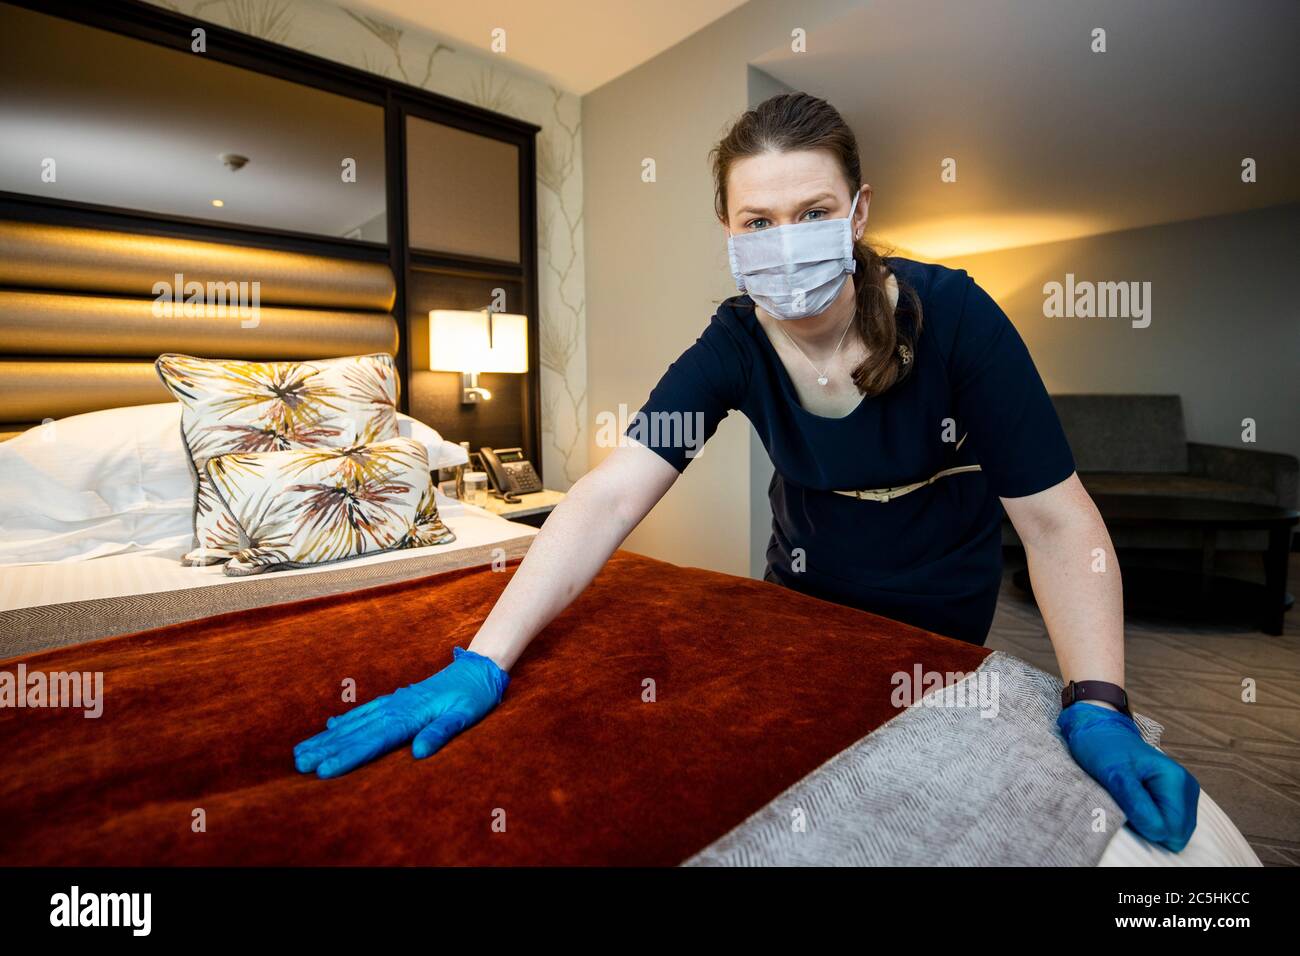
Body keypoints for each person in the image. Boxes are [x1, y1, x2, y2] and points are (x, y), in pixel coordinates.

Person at [294, 92, 1198, 852]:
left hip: (942, 607)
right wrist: (484, 660)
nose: (786, 240)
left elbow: (1056, 521)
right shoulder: (733, 346)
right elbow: (612, 494)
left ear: (859, 211)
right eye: (757, 221)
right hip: (800, 601)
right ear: (727, 230)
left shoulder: (955, 318)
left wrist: (1101, 700)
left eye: (811, 213)